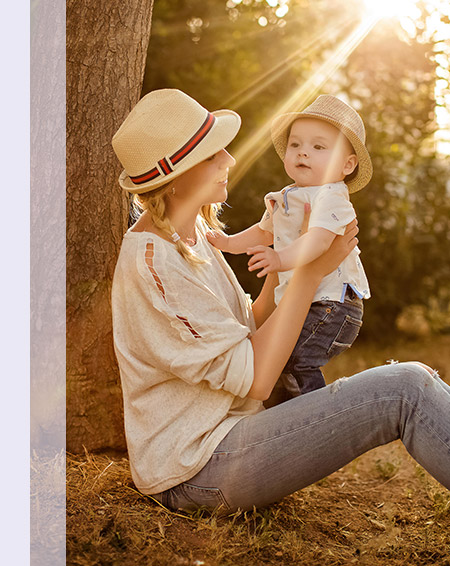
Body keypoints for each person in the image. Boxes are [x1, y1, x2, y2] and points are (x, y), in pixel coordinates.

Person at [111, 88, 450, 514]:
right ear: (177, 175)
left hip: (234, 430)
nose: (229, 160)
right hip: (196, 468)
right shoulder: (154, 264)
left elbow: (244, 332)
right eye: (214, 153)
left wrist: (287, 255)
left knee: (411, 384)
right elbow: (256, 379)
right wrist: (310, 273)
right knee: (405, 388)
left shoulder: (194, 234)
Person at [207, 95, 371, 395]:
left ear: (347, 164)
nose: (303, 153)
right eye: (296, 144)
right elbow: (263, 231)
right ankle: (289, 416)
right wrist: (228, 243)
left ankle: (320, 416)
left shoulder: (331, 197)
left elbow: (319, 240)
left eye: (318, 147)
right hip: (310, 301)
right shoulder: (287, 196)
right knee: (278, 363)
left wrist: (279, 259)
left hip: (333, 305)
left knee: (296, 360)